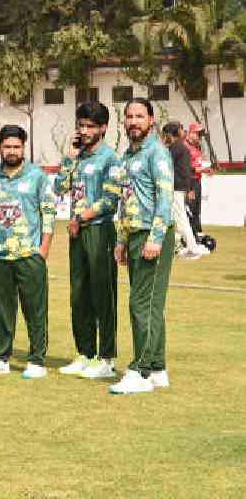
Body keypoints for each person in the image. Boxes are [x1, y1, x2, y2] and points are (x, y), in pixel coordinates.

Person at [0, 125, 56, 379]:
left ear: (23, 148)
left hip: (29, 255)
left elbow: (48, 213)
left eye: (16, 147)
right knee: (0, 310)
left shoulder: (37, 176)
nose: (12, 151)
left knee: (35, 311)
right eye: (7, 146)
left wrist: (43, 250)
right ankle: (1, 358)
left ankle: (36, 360)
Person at [110, 98, 175, 395]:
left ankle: (141, 371)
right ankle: (157, 368)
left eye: (140, 116)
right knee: (150, 305)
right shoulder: (127, 155)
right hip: (134, 234)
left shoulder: (157, 153)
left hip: (152, 234)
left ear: (151, 120)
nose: (134, 121)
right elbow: (126, 199)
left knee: (141, 304)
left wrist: (156, 238)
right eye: (129, 116)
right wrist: (121, 240)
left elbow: (165, 198)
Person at [53, 103, 123, 380]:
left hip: (99, 230)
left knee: (102, 295)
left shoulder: (110, 159)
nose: (84, 131)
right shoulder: (77, 157)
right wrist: (69, 158)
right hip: (77, 233)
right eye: (81, 125)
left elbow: (110, 200)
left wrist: (80, 218)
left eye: (90, 126)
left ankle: (106, 359)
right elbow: (59, 188)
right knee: (79, 295)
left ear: (103, 128)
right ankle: (85, 353)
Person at [161, 122, 206, 259]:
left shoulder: (175, 148)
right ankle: (179, 245)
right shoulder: (181, 147)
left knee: (181, 219)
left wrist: (189, 188)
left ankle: (192, 248)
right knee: (174, 218)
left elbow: (167, 166)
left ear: (170, 134)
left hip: (175, 188)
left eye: (165, 135)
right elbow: (186, 169)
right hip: (179, 187)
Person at [184, 122, 209, 236]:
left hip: (197, 182)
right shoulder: (185, 147)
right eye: (198, 134)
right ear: (191, 133)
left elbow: (197, 164)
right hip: (190, 182)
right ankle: (190, 235)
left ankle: (197, 233)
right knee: (190, 209)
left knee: (196, 209)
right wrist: (201, 170)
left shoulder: (197, 147)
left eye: (201, 134)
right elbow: (186, 168)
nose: (200, 137)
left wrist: (205, 170)